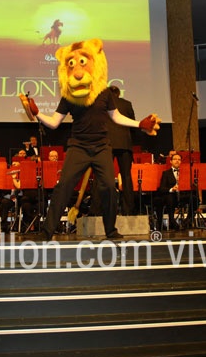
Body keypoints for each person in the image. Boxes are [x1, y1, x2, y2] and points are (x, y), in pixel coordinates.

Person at [20, 38, 159, 240]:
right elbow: (54, 122)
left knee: (109, 187)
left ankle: (110, 230)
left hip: (102, 147)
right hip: (78, 147)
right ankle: (47, 232)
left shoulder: (104, 93)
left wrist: (139, 124)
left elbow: (116, 117)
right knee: (64, 186)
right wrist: (37, 113)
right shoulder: (69, 96)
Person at [106, 85, 136, 216]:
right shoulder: (127, 104)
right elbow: (132, 123)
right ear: (118, 94)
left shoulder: (103, 104)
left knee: (103, 176)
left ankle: (99, 209)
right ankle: (128, 210)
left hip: (107, 144)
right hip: (124, 143)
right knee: (126, 176)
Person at [154, 153, 193, 231]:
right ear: (171, 161)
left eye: (179, 159)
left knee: (194, 198)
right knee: (170, 197)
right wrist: (172, 189)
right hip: (171, 196)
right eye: (175, 159)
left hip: (182, 195)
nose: (177, 161)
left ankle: (188, 220)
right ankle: (172, 221)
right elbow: (162, 188)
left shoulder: (185, 172)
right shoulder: (166, 173)